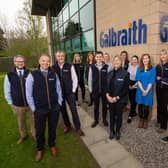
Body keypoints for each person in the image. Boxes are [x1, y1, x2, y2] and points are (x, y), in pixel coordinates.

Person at [26, 53, 62, 161]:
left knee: (52, 129)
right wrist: (34, 108)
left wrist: (59, 103)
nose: (45, 63)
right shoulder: (32, 75)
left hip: (54, 108)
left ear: (50, 62)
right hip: (40, 110)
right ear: (39, 61)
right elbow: (28, 94)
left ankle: (52, 145)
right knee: (40, 131)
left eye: (47, 61)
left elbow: (58, 89)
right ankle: (40, 149)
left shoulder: (53, 74)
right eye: (43, 60)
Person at [4, 55, 35, 145]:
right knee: (21, 122)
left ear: (24, 62)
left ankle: (34, 134)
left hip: (30, 103)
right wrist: (11, 103)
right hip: (18, 104)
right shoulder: (9, 75)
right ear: (14, 63)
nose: (20, 63)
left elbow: (34, 87)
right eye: (18, 61)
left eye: (22, 61)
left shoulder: (29, 73)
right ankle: (24, 135)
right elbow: (7, 90)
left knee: (34, 121)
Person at [52, 51, 84, 136]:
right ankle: (68, 126)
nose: (60, 57)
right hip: (59, 94)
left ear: (64, 57)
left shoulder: (70, 66)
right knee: (63, 111)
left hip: (70, 93)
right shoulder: (53, 68)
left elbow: (75, 79)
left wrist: (73, 90)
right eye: (59, 56)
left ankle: (78, 128)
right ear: (56, 57)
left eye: (62, 56)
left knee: (73, 110)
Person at [106, 55, 129, 140]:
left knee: (119, 116)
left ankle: (118, 131)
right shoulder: (110, 73)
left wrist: (117, 98)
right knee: (111, 115)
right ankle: (112, 131)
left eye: (118, 60)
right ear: (113, 62)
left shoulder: (125, 73)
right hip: (110, 99)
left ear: (121, 62)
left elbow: (126, 89)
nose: (116, 62)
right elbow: (106, 86)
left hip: (120, 100)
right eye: (115, 60)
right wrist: (107, 95)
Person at [88, 51, 108, 128]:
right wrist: (90, 89)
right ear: (95, 58)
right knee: (96, 106)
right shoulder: (92, 67)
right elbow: (89, 79)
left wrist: (108, 91)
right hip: (95, 91)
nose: (99, 58)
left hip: (104, 91)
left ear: (102, 57)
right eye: (97, 57)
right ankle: (96, 120)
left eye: (100, 56)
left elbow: (108, 79)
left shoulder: (106, 67)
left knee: (104, 106)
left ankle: (104, 120)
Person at [136, 54, 156, 129]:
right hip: (140, 90)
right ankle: (141, 119)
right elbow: (138, 80)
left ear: (149, 59)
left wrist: (146, 91)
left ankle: (145, 120)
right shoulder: (139, 68)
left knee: (146, 106)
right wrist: (142, 90)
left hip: (148, 90)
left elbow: (151, 81)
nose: (145, 60)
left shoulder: (152, 69)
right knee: (140, 105)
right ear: (142, 60)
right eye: (144, 58)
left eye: (146, 58)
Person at [156, 49, 168, 133]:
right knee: (159, 105)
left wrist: (163, 80)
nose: (162, 56)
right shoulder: (158, 66)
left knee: (164, 107)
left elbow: (161, 78)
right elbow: (156, 78)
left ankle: (163, 126)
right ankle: (159, 121)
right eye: (161, 54)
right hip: (158, 88)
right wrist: (159, 80)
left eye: (164, 54)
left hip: (166, 90)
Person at [127, 55, 139, 123]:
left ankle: (130, 115)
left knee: (134, 101)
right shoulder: (130, 66)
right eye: (133, 59)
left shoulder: (139, 67)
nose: (134, 61)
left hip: (136, 85)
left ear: (137, 60)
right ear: (131, 60)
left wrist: (134, 86)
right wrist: (128, 84)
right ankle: (133, 112)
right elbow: (128, 76)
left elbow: (139, 79)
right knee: (131, 100)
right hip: (129, 84)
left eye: (135, 59)